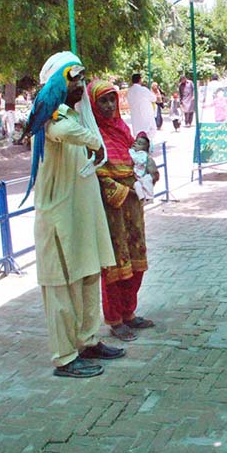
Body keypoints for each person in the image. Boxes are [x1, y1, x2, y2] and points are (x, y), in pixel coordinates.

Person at [24, 52, 124, 378]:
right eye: (75, 81)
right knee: (61, 287)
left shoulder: (73, 114)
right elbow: (64, 132)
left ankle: (88, 340)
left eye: (82, 79)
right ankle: (65, 357)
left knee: (87, 277)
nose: (81, 86)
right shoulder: (53, 118)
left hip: (81, 217)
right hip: (59, 220)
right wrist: (96, 142)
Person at [88, 80, 158, 342]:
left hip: (133, 209)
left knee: (136, 261)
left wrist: (146, 176)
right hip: (112, 211)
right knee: (115, 266)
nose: (108, 106)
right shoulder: (93, 136)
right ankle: (115, 319)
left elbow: (137, 159)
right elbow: (94, 175)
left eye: (112, 100)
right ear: (93, 105)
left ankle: (130, 313)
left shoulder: (122, 129)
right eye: (102, 101)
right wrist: (122, 191)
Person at [126, 73, 157, 139]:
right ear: (140, 80)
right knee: (150, 131)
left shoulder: (129, 91)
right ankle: (146, 145)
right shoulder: (143, 90)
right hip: (145, 115)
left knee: (138, 134)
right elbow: (154, 98)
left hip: (135, 117)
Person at [129, 133, 155, 203]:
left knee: (147, 181)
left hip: (143, 174)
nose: (135, 144)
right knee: (136, 185)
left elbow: (137, 160)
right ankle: (142, 198)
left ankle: (149, 197)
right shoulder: (136, 152)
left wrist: (131, 151)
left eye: (139, 144)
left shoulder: (142, 154)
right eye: (136, 142)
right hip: (137, 175)